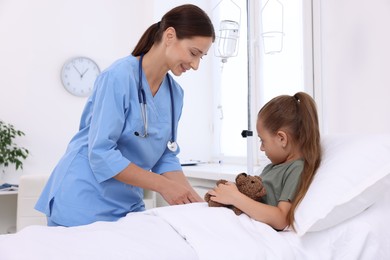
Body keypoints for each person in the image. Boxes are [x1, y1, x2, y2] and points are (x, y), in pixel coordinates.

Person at [35, 4, 215, 227]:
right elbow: (101, 152)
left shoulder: (174, 95)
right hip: (83, 199)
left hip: (126, 203)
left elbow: (164, 156)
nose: (196, 65)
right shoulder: (117, 77)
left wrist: (196, 204)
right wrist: (163, 185)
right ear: (170, 36)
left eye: (202, 58)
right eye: (193, 53)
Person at [206, 92, 321, 231]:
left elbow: (281, 219)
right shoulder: (272, 167)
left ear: (281, 139)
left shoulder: (296, 169)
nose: (261, 148)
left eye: (263, 140)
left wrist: (235, 197)